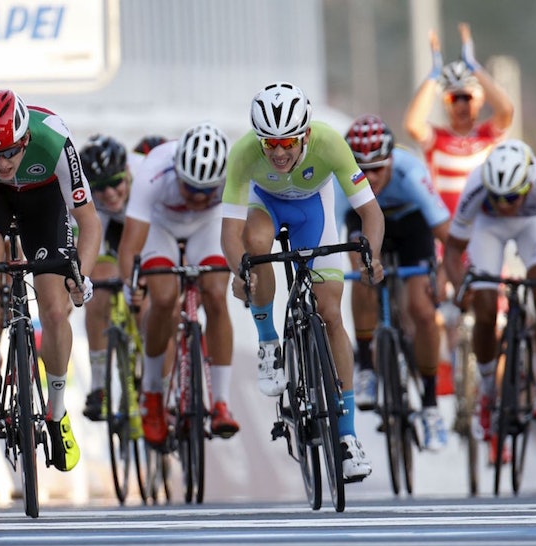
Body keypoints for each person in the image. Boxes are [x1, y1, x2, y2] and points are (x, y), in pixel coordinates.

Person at [221, 81, 384, 482]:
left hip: (314, 210)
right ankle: (268, 343)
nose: (278, 153)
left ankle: (346, 440)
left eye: (288, 142)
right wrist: (238, 270)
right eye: (270, 144)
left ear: (306, 135)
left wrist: (371, 257)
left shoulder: (329, 143)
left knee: (330, 315)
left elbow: (371, 214)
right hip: (267, 206)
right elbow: (230, 230)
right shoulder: (243, 154)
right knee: (256, 247)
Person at [0, 88, 99, 472]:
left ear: (26, 139)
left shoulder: (54, 139)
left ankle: (57, 409)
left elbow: (88, 219)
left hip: (43, 201)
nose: (2, 162)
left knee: (53, 308)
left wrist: (80, 273)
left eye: (11, 152)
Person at [442, 139, 536, 462]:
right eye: (497, 197)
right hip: (487, 229)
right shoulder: (477, 185)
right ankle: (486, 392)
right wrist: (459, 287)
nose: (504, 204)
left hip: (533, 226)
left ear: (526, 185)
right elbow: (453, 251)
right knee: (483, 307)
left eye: (511, 197)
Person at [119, 122, 239, 444]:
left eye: (207, 191)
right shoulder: (154, 169)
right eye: (190, 189)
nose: (198, 197)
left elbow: (241, 228)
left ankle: (220, 403)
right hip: (162, 227)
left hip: (208, 227)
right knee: (163, 299)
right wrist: (132, 286)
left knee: (215, 294)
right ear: (177, 172)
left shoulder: (234, 175)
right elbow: (130, 243)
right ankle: (153, 396)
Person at [338, 114, 452, 451]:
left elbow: (446, 233)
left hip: (410, 226)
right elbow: (326, 234)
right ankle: (366, 364)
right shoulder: (341, 180)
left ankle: (431, 406)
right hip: (361, 220)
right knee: (362, 273)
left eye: (378, 168)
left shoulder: (411, 173)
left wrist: (443, 274)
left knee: (421, 308)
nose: (370, 177)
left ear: (392, 161)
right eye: (362, 169)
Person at [402, 23, 514, 214]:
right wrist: (434, 75)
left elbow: (505, 110)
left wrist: (474, 66)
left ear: (480, 99)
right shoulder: (437, 138)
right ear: (446, 102)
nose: (461, 105)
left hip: (482, 229)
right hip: (446, 233)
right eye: (454, 98)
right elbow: (413, 124)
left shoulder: (488, 135)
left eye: (467, 97)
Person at [77, 134, 137, 421]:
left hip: (141, 230)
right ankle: (99, 385)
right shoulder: (82, 197)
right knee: (97, 289)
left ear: (127, 172)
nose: (110, 193)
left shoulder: (145, 180)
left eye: (115, 182)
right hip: (105, 232)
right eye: (100, 188)